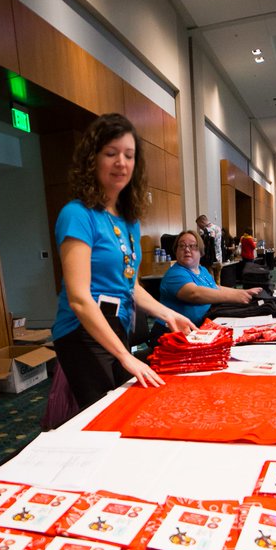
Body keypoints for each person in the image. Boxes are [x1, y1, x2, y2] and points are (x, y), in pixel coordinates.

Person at [51, 113, 193, 411]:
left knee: (126, 406)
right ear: (93, 159)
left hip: (117, 325)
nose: (121, 163)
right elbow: (79, 298)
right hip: (82, 331)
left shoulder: (129, 221)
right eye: (111, 153)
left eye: (129, 155)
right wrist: (124, 356)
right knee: (108, 414)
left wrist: (168, 315)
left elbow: (131, 286)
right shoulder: (78, 214)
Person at [158, 230, 264, 325]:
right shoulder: (175, 273)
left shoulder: (202, 270)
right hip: (172, 334)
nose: (187, 249)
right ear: (175, 251)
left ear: (201, 251)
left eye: (192, 246)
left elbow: (215, 288)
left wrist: (243, 292)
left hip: (200, 326)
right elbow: (195, 294)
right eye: (182, 246)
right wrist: (237, 297)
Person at [196, 213, 219, 279]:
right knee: (217, 279)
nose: (199, 227)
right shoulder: (217, 227)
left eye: (199, 225)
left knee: (210, 277)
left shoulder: (207, 231)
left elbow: (208, 246)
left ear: (202, 222)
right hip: (218, 258)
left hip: (209, 259)